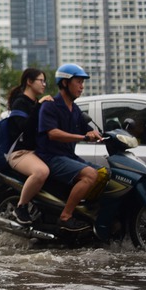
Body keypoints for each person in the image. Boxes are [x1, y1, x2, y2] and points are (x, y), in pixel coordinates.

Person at [35, 64, 102, 231]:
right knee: (90, 175)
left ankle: (87, 213)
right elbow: (53, 133)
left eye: (82, 82)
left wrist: (98, 134)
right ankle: (65, 216)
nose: (82, 86)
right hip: (51, 157)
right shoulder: (50, 105)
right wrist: (84, 137)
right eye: (78, 82)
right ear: (65, 83)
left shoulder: (75, 109)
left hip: (67, 156)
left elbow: (88, 129)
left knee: (103, 173)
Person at [5, 68, 53, 225]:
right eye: (41, 80)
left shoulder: (34, 103)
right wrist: (39, 105)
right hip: (20, 153)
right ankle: (21, 206)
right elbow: (25, 127)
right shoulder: (20, 103)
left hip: (36, 152)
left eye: (45, 81)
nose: (44, 84)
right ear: (29, 82)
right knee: (41, 172)